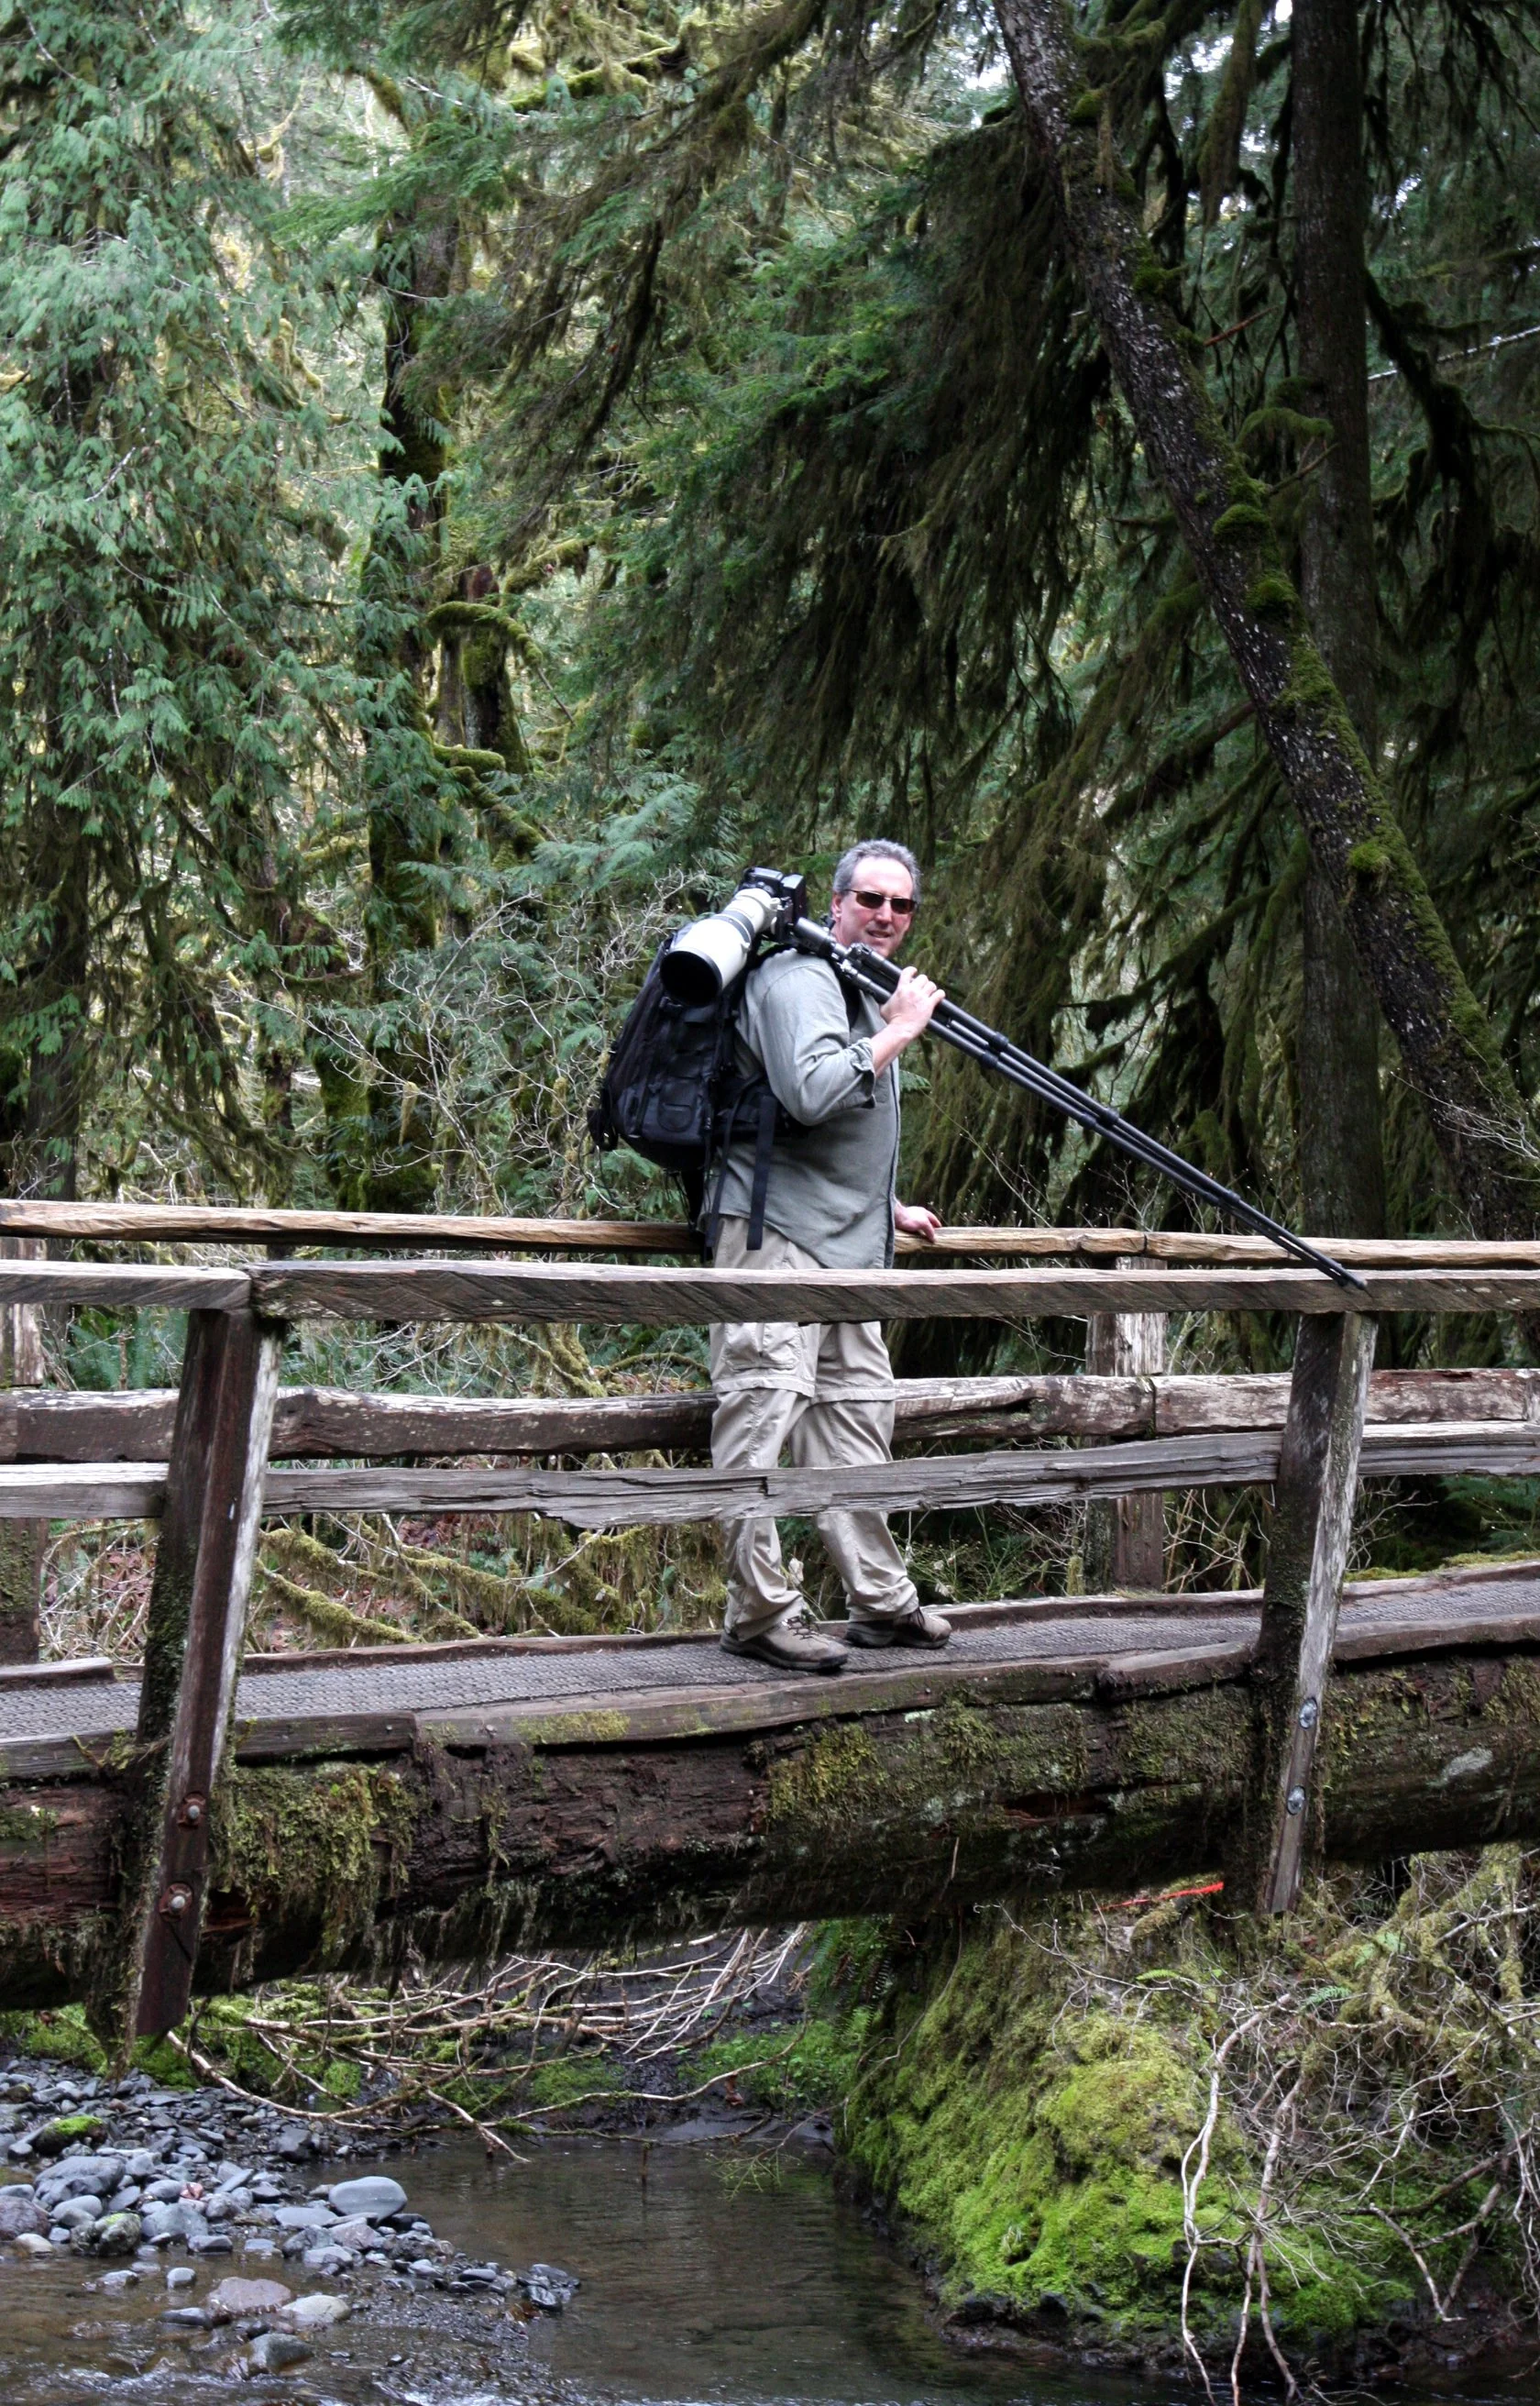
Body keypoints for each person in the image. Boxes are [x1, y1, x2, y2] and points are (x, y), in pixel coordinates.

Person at [706, 840, 953, 1674]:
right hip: (774, 1239)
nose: (886, 916)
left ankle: (880, 1603)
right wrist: (902, 1033)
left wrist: (888, 1205)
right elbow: (812, 1090)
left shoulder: (856, 988)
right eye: (870, 900)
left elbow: (822, 1126)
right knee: (760, 1413)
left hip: (848, 1245)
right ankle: (759, 1614)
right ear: (837, 902)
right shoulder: (797, 980)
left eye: (901, 905)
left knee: (854, 1422)